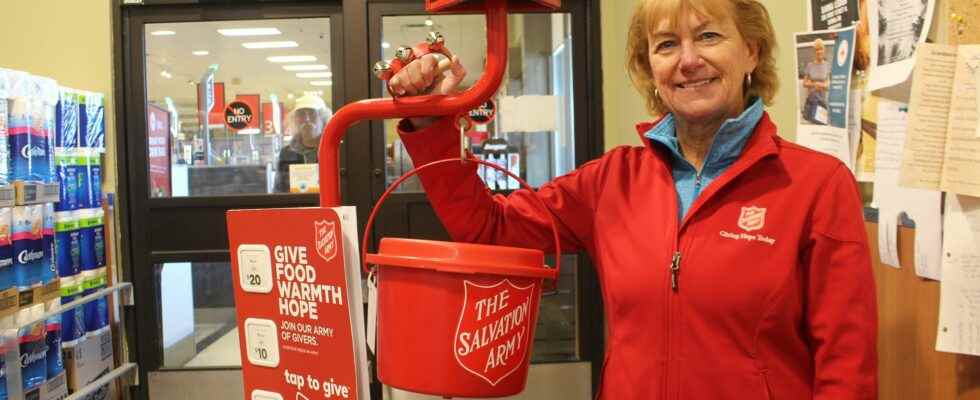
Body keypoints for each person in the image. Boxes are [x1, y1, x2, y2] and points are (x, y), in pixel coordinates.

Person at [388, 0, 877, 398]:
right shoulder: (611, 182)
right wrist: (433, 120)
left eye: (708, 36)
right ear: (651, 68)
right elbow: (488, 229)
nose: (688, 60)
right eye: (667, 45)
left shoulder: (815, 185)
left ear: (751, 51)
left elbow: (846, 369)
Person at [273, 94, 332, 192]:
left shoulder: (333, 150)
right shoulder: (287, 153)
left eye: (312, 114)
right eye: (301, 114)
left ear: (323, 118)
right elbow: (279, 190)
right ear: (295, 120)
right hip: (295, 206)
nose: (307, 119)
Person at [802, 38, 831, 125]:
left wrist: (821, 85)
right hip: (812, 101)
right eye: (817, 49)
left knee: (822, 126)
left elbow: (828, 84)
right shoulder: (810, 65)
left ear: (824, 50)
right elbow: (804, 83)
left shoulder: (827, 65)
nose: (819, 52)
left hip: (822, 102)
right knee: (812, 127)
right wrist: (815, 84)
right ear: (814, 52)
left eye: (821, 49)